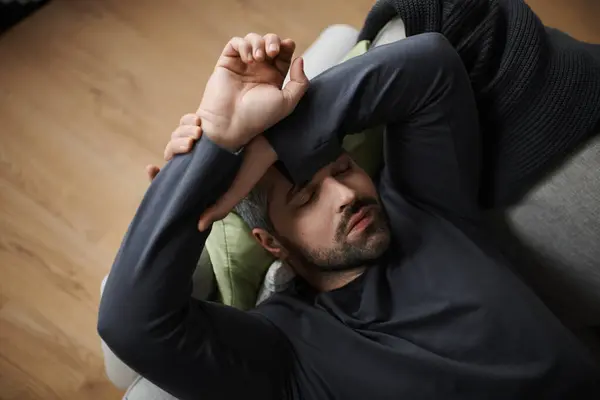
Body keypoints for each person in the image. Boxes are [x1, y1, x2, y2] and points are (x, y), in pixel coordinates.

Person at [98, 32, 600, 399]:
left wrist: (269, 141)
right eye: (306, 196)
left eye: (342, 166)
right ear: (270, 242)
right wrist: (219, 145)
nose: (344, 193)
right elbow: (132, 323)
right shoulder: (284, 353)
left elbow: (429, 64)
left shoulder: (422, 205)